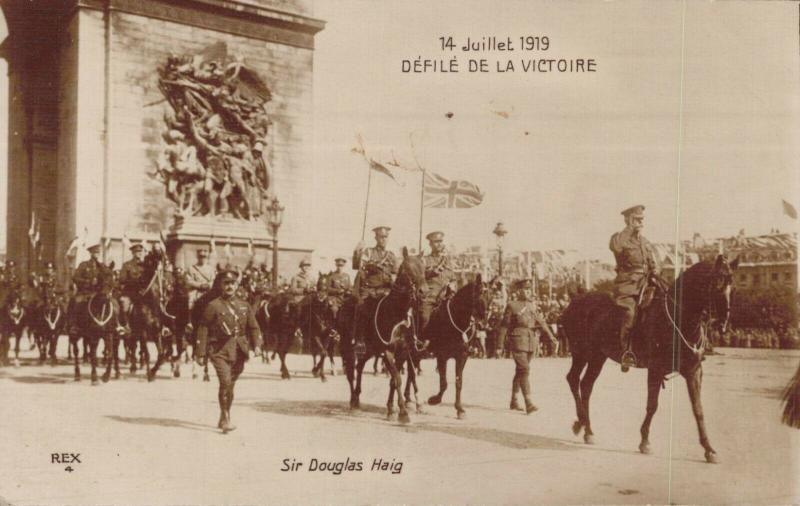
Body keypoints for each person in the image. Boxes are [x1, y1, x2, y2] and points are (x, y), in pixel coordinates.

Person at [195, 269, 262, 433]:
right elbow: (203, 328)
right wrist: (200, 352)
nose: (230, 286)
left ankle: (224, 413)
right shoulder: (213, 306)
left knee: (230, 386)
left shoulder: (244, 306)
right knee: (225, 382)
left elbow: (253, 327)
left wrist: (257, 345)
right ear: (221, 285)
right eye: (226, 283)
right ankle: (226, 419)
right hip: (219, 351)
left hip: (239, 350)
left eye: (232, 283)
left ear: (237, 285)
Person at [609, 204, 658, 372]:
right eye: (637, 219)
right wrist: (629, 228)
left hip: (646, 283)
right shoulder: (619, 238)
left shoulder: (645, 242)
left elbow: (652, 263)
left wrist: (655, 271)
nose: (640, 222)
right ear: (628, 220)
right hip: (627, 285)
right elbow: (616, 248)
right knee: (630, 313)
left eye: (642, 219)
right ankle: (626, 352)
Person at [497, 279, 557, 414]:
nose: (529, 292)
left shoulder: (532, 306)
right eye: (526, 289)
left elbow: (541, 322)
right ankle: (529, 402)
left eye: (530, 289)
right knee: (524, 369)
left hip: (531, 341)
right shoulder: (512, 305)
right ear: (519, 291)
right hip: (517, 339)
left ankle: (514, 400)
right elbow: (504, 326)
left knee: (521, 371)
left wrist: (551, 336)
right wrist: (499, 345)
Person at [352, 226, 398, 356]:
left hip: (386, 291)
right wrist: (358, 251)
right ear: (376, 238)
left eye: (385, 237)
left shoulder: (392, 256)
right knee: (362, 309)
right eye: (380, 237)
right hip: (370, 290)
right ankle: (359, 340)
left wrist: (392, 282)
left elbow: (395, 273)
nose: (383, 239)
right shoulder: (368, 252)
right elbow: (360, 267)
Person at [419, 231, 456, 348]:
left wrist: (453, 286)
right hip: (430, 296)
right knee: (425, 317)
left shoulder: (448, 261)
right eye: (436, 242)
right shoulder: (424, 260)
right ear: (430, 244)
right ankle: (423, 341)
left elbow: (453, 278)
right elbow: (418, 278)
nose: (439, 244)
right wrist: (430, 273)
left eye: (440, 241)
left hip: (446, 297)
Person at [68, 241, 104, 336]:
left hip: (97, 293)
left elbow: (106, 277)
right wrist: (87, 282)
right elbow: (75, 277)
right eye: (95, 252)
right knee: (76, 302)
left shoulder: (102, 267)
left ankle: (112, 325)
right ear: (91, 253)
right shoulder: (84, 265)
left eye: (98, 252)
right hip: (85, 292)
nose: (97, 254)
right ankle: (74, 325)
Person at [118, 243, 145, 315]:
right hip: (130, 292)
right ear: (133, 253)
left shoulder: (145, 265)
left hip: (143, 292)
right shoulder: (127, 265)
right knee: (125, 307)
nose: (139, 253)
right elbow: (122, 279)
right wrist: (134, 281)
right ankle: (125, 324)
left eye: (140, 251)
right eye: (137, 251)